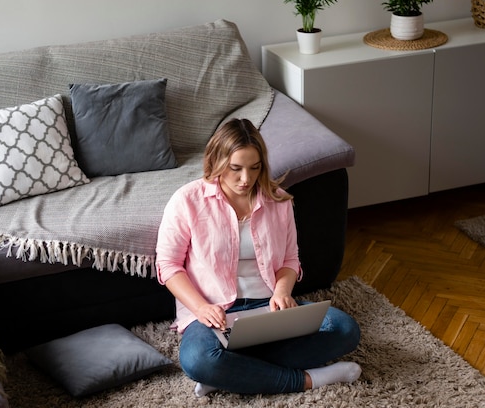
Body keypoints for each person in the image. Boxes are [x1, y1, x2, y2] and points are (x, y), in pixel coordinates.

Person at [155, 118, 361, 397]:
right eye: (235, 169)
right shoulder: (187, 200)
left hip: (268, 305)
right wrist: (201, 307)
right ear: (217, 161)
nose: (246, 179)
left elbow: (290, 259)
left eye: (254, 168)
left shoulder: (278, 200)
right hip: (214, 312)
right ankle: (309, 379)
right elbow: (168, 265)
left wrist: (282, 291)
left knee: (344, 329)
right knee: (198, 360)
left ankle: (232, 373)